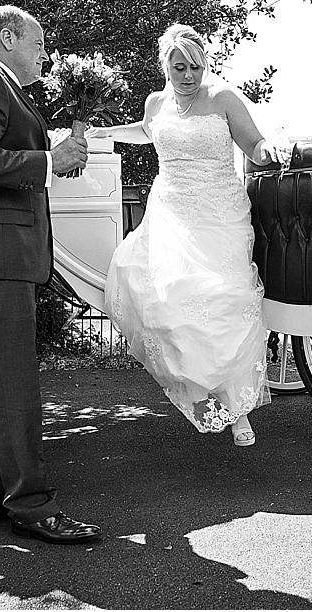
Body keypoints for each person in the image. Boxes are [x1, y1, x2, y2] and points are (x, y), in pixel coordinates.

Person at [0, 5, 101, 544]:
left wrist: (52, 156)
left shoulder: (7, 91)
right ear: (8, 38)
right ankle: (32, 506)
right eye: (37, 44)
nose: (43, 54)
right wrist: (44, 163)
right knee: (13, 387)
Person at [88, 24, 278, 446]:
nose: (188, 75)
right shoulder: (156, 103)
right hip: (171, 213)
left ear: (205, 65)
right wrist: (108, 133)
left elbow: (255, 144)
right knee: (168, 301)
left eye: (196, 66)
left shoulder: (223, 98)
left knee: (224, 300)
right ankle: (204, 389)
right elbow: (146, 129)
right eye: (179, 68)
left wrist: (270, 150)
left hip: (220, 213)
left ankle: (239, 407)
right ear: (165, 67)